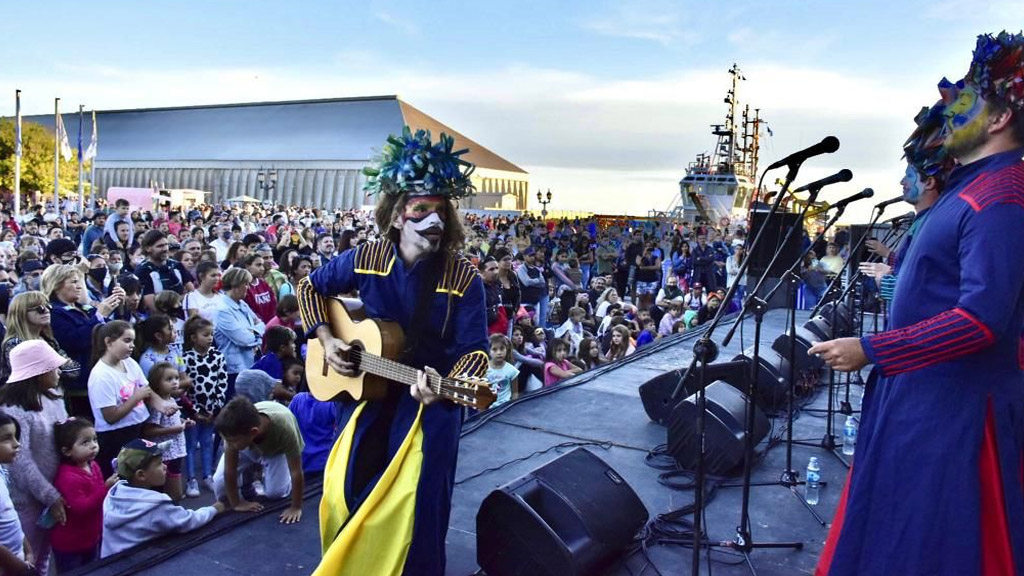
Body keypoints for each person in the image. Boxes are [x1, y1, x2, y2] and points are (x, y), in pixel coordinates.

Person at [811, 32, 1024, 575]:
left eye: (964, 106)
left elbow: (981, 320)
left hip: (955, 408)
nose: (948, 118)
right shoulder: (974, 187)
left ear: (1000, 119)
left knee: (935, 541)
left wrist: (872, 349)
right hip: (924, 392)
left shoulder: (1000, 196)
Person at [297, 128, 488, 574]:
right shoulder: (366, 257)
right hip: (368, 393)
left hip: (432, 399)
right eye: (422, 209)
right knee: (345, 487)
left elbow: (476, 352)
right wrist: (328, 340)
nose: (434, 221)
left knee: (415, 501)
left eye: (441, 212)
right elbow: (309, 287)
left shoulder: (463, 277)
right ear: (399, 214)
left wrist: (444, 388)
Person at [0, 340, 70, 575]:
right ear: (38, 372)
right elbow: (21, 461)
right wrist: (51, 496)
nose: (58, 371)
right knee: (26, 561)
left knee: (43, 558)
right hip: (28, 501)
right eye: (53, 367)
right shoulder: (16, 409)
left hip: (53, 494)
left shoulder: (53, 397)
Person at [101, 439, 225, 558]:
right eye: (159, 463)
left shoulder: (114, 493)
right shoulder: (155, 505)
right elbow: (189, 520)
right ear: (141, 475)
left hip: (109, 563)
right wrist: (214, 509)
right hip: (137, 565)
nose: (165, 466)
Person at [46, 265, 126, 417]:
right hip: (81, 386)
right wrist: (99, 315)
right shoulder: (54, 312)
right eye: (74, 282)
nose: (79, 286)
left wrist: (119, 305)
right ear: (56, 284)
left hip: (105, 377)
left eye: (80, 282)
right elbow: (77, 340)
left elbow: (110, 333)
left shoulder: (86, 308)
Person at [213, 397, 305, 523]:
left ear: (253, 432)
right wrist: (237, 503)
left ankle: (264, 473)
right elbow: (230, 471)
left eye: (231, 441)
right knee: (219, 483)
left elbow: (296, 472)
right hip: (247, 446)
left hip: (275, 450)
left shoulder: (285, 428)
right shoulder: (233, 434)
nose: (229, 444)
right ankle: (249, 476)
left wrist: (296, 507)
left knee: (276, 493)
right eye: (226, 440)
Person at [88, 321, 152, 478]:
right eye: (127, 340)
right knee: (123, 478)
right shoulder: (101, 375)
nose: (132, 346)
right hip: (115, 437)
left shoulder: (129, 363)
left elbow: (146, 388)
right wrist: (135, 397)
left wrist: (163, 405)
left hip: (135, 428)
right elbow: (110, 417)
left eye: (133, 341)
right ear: (109, 342)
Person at [51, 418, 116, 572]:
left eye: (94, 439)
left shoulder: (93, 465)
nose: (93, 445)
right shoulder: (67, 477)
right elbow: (81, 508)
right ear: (67, 451)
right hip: (70, 544)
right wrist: (106, 488)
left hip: (92, 536)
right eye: (85, 442)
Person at [181, 316, 227, 498]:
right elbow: (184, 387)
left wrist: (215, 408)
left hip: (211, 409)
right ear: (193, 337)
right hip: (193, 410)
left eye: (211, 334)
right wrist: (194, 410)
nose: (209, 338)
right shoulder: (186, 358)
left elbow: (221, 383)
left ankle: (208, 475)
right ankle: (191, 478)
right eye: (205, 334)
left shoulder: (217, 356)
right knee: (191, 443)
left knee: (207, 442)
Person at [141, 363, 191, 502]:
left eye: (176, 378)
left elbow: (173, 419)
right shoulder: (157, 406)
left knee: (175, 493)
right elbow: (149, 430)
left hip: (176, 452)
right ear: (157, 383)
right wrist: (176, 429)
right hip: (165, 455)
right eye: (169, 379)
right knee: (169, 493)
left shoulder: (172, 400)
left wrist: (183, 422)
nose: (175, 382)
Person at [214, 268, 265, 400]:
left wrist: (253, 332)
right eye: (246, 284)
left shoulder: (242, 304)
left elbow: (261, 324)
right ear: (236, 285)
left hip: (251, 364)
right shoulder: (222, 310)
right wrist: (255, 333)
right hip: (234, 370)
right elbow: (243, 339)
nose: (248, 288)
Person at [0, 413, 33, 575]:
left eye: (15, 436)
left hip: (17, 557)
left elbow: (8, 513)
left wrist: (27, 549)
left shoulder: (1, 470)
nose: (16, 443)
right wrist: (16, 565)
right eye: (6, 438)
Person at [135, 230, 194, 314]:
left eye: (166, 245)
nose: (165, 249)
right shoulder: (143, 271)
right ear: (148, 248)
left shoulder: (176, 265)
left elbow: (192, 293)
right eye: (160, 246)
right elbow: (151, 304)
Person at [287, 392, 340, 474]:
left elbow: (289, 426)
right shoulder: (331, 403)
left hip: (299, 463)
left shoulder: (297, 399)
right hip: (322, 463)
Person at [241, 254, 278, 325]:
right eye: (258, 265)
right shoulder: (243, 287)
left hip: (271, 326)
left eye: (262, 265)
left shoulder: (263, 283)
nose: (262, 268)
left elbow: (274, 304)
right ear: (247, 266)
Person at [486, 334, 519, 407]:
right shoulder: (483, 369)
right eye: (494, 349)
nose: (499, 352)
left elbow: (515, 393)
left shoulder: (512, 370)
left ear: (507, 349)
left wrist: (512, 407)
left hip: (503, 408)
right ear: (489, 351)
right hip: (486, 409)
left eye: (502, 349)